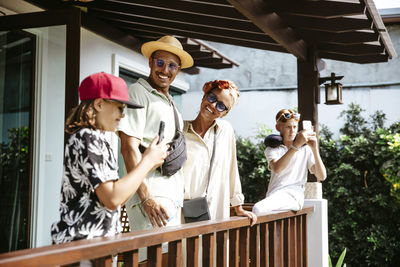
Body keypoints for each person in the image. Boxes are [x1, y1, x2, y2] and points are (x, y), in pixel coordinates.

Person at [51, 72, 168, 245]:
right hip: (83, 247)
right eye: (120, 108)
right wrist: (148, 161)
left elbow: (118, 198)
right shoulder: (88, 138)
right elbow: (112, 199)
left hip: (93, 246)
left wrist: (150, 162)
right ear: (99, 104)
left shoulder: (97, 140)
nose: (123, 115)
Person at [117, 36, 193, 259]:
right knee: (149, 261)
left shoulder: (170, 102)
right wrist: (145, 198)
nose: (165, 70)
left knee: (167, 261)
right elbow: (128, 148)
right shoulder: (138, 92)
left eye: (172, 66)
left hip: (170, 198)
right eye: (160, 63)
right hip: (150, 198)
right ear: (150, 62)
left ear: (178, 70)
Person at [183, 80, 256, 224]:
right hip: (182, 209)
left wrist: (238, 206)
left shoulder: (226, 131)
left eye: (221, 106)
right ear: (204, 96)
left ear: (224, 114)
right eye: (212, 98)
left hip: (216, 210)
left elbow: (232, 168)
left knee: (214, 245)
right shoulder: (180, 129)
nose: (213, 105)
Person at [252, 109, 327, 215]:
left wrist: (315, 149)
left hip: (294, 195)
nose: (292, 131)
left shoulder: (305, 149)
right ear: (278, 128)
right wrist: (295, 146)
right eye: (288, 127)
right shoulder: (272, 149)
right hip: (274, 195)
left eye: (294, 127)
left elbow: (322, 176)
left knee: (257, 209)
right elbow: (277, 168)